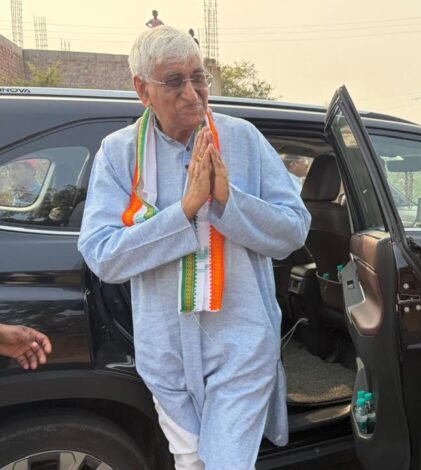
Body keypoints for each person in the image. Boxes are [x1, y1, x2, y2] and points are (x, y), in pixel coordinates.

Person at [77, 26, 311, 469]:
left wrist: (228, 202)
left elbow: (293, 232)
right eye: (174, 80)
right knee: (190, 463)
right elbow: (103, 255)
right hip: (165, 351)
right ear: (142, 90)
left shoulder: (242, 139)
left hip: (239, 343)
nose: (192, 92)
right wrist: (184, 211)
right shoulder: (119, 153)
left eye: (198, 77)